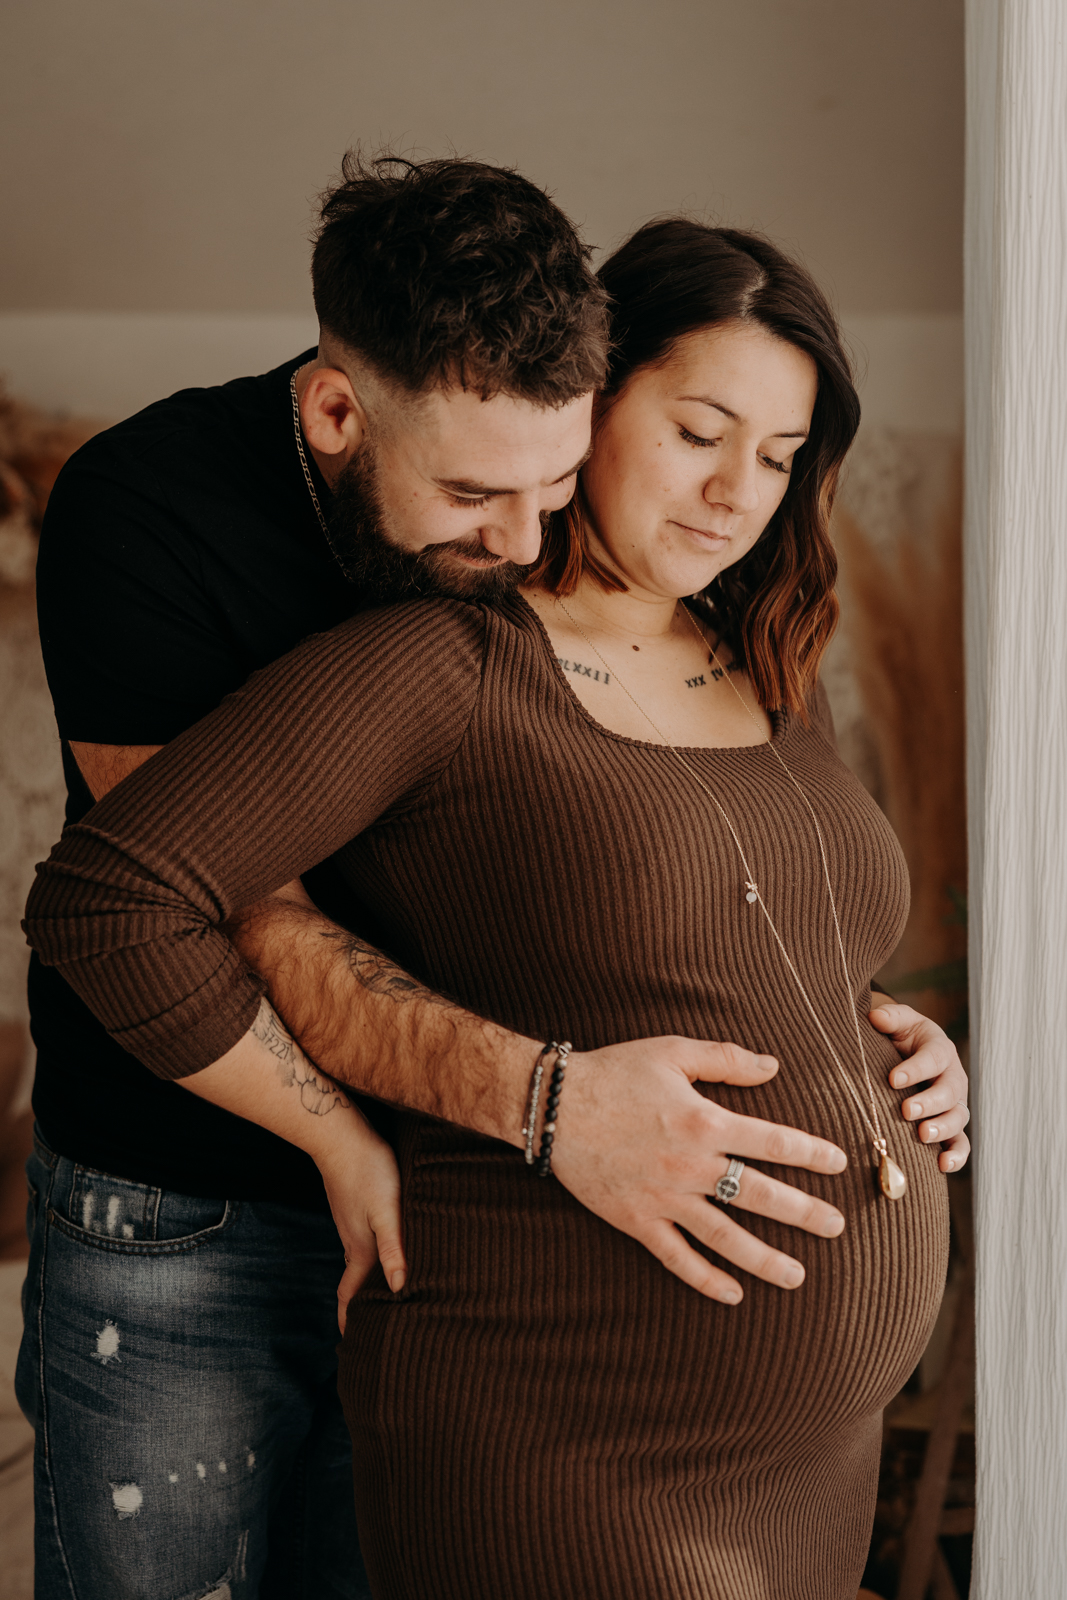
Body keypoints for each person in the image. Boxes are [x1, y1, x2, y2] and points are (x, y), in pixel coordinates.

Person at [26, 216, 968, 1599]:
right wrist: (392, 1130)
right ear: (600, 400)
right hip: (545, 1409)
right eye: (702, 431)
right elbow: (129, 896)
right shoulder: (427, 651)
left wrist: (899, 1048)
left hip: (808, 1470)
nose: (737, 495)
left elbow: (755, 933)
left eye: (779, 457)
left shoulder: (761, 650)